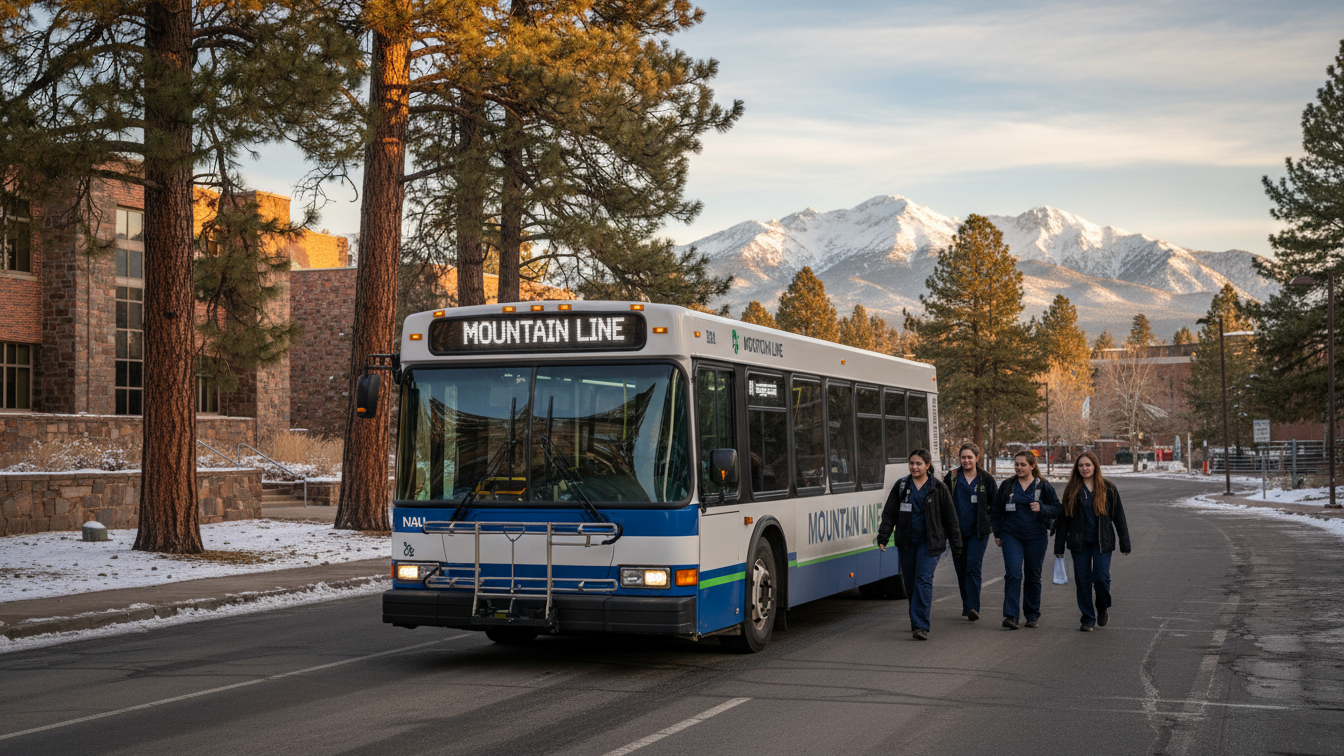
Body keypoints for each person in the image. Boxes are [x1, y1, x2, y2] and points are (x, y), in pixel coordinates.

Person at [877, 449, 964, 640]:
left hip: (930, 544)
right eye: (911, 463)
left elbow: (950, 519)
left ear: (927, 465)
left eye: (918, 464)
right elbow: (890, 513)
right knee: (910, 583)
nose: (914, 467)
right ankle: (916, 618)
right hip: (907, 543)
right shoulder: (901, 486)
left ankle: (920, 625)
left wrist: (957, 544)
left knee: (923, 580)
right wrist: (883, 536)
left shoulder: (939, 488)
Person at [1054, 451, 1132, 631]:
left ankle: (1102, 606)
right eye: (1081, 465)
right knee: (1082, 580)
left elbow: (1119, 517)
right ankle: (1087, 618)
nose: (1084, 468)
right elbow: (1064, 520)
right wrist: (1059, 546)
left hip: (1102, 542)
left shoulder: (1108, 488)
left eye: (1088, 465)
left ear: (1095, 466)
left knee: (1101, 578)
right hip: (1079, 543)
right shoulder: (1072, 489)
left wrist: (1125, 543)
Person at [990, 450, 1061, 630]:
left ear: (1032, 466)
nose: (1019, 468)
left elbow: (1058, 509)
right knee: (1013, 573)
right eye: (1016, 464)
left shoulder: (1043, 486)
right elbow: (996, 511)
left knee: (1032, 576)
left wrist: (1042, 507)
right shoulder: (1007, 486)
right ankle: (1011, 616)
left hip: (1036, 537)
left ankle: (1032, 614)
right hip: (1011, 535)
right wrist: (997, 534)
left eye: (1022, 465)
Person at [942, 442, 995, 621]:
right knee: (961, 568)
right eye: (963, 457)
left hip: (978, 532)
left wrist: (995, 528)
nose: (966, 460)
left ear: (977, 458)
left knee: (973, 566)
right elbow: (943, 503)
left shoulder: (986, 479)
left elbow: (995, 505)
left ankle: (973, 606)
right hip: (957, 532)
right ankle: (967, 603)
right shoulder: (952, 477)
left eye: (969, 457)